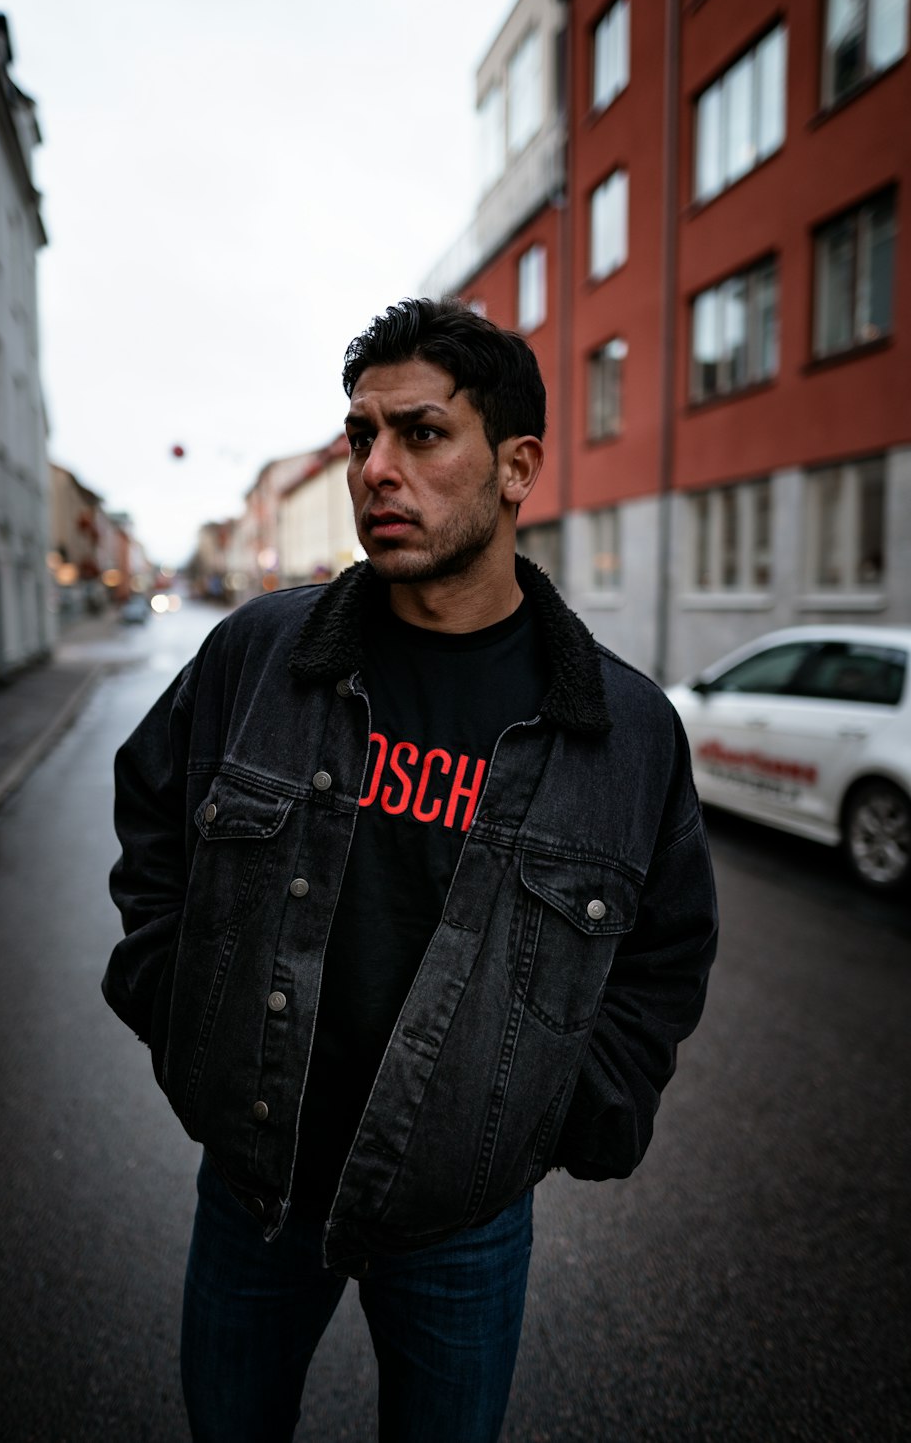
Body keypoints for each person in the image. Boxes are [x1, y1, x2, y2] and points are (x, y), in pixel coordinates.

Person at [103, 297, 718, 1443]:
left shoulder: (620, 730)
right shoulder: (261, 655)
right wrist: (168, 992)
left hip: (458, 1217)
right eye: (359, 436)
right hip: (255, 1184)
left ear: (517, 464)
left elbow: (666, 952)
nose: (377, 468)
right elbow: (153, 821)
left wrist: (565, 1112)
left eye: (422, 433)